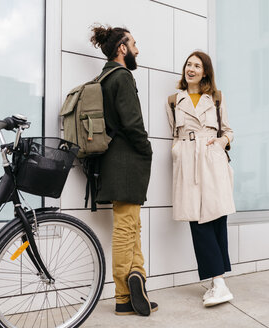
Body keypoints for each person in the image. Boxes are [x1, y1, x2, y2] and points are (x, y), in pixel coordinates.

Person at [90, 24, 157, 316]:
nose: (137, 50)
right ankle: (122, 294)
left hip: (110, 162)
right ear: (122, 48)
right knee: (126, 227)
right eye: (134, 44)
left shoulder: (102, 78)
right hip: (126, 161)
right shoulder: (122, 77)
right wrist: (147, 148)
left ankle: (136, 279)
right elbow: (132, 123)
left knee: (131, 225)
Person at [166, 51, 236, 307]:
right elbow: (174, 133)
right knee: (198, 221)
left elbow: (228, 130)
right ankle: (219, 281)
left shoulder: (216, 98)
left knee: (216, 217)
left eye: (197, 65)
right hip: (188, 161)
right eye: (188, 64)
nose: (191, 68)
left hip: (212, 159)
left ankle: (218, 282)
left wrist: (221, 142)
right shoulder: (174, 100)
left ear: (205, 72)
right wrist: (177, 151)